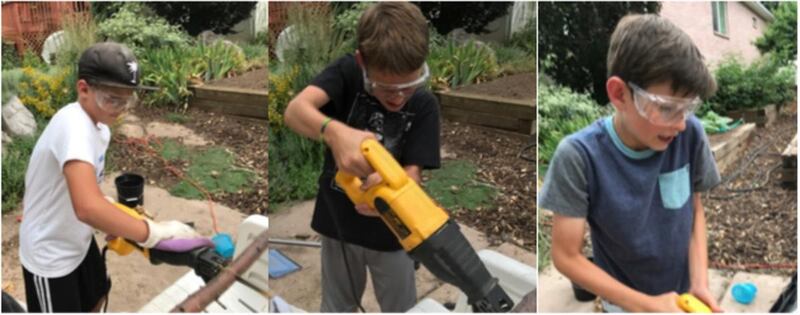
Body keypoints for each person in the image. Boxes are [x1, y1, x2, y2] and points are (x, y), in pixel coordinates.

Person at [538, 14, 723, 312]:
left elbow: (694, 211)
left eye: (687, 109)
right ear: (619, 94)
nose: (679, 125)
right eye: (666, 109)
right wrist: (647, 305)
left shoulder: (690, 134)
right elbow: (566, 255)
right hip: (623, 304)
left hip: (681, 296)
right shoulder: (579, 157)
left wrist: (699, 281)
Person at [19, 42, 207, 312]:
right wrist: (152, 233)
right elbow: (87, 207)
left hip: (78, 242)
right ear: (83, 89)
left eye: (127, 99)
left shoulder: (100, 130)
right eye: (112, 99)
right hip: (50, 255)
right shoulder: (72, 125)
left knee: (97, 296)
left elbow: (89, 194)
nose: (120, 108)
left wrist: (114, 217)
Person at [283, 2, 440, 312]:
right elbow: (294, 111)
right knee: (338, 305)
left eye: (408, 86)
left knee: (402, 307)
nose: (397, 97)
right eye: (385, 87)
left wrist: (395, 191)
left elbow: (413, 174)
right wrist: (334, 132)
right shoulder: (347, 74)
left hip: (394, 233)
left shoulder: (424, 106)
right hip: (339, 226)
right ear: (362, 62)